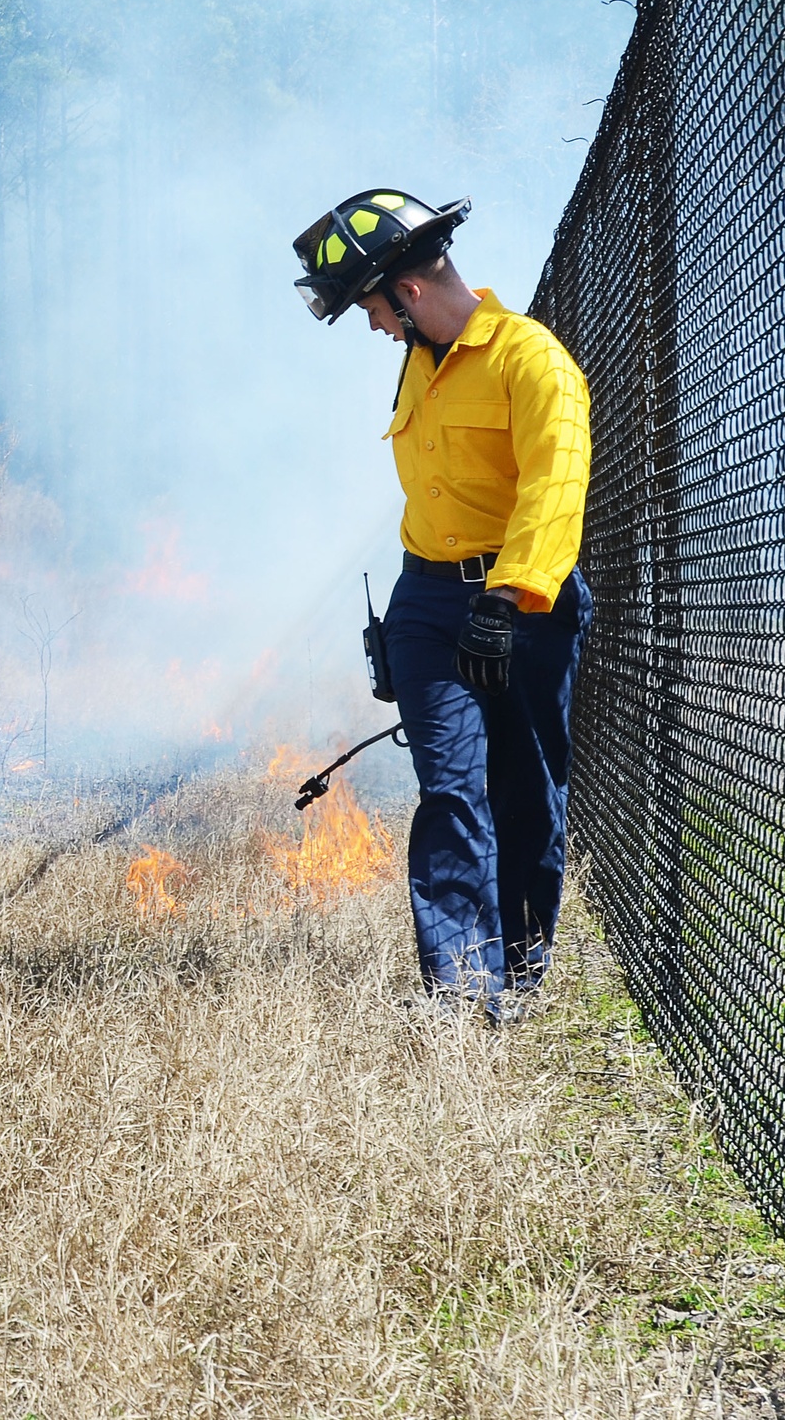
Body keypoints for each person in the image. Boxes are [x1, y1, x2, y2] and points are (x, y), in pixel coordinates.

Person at [292, 190, 592, 1019]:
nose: (373, 326)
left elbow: (555, 489)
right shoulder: (418, 364)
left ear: (410, 292)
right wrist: (411, 615)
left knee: (525, 787)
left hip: (522, 601)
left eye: (371, 307)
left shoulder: (532, 362)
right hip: (425, 598)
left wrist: (506, 601)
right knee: (451, 788)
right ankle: (462, 992)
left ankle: (520, 968)